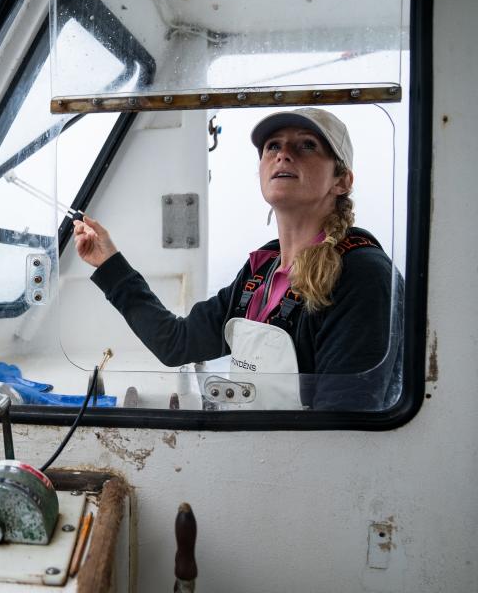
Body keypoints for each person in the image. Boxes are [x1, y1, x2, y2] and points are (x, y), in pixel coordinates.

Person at [73, 108, 402, 411]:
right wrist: (109, 263)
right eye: (273, 146)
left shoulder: (362, 275)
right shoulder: (261, 272)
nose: (283, 154)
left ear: (341, 181)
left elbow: (346, 429)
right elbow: (176, 343)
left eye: (306, 145)